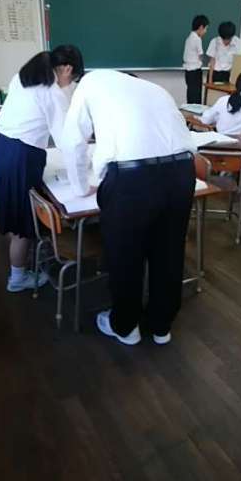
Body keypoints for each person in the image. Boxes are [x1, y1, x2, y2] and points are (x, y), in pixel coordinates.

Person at [61, 70, 196, 346]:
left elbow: (73, 141)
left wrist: (81, 188)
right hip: (182, 172)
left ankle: (125, 327)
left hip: (132, 179)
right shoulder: (154, 89)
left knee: (125, 256)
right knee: (169, 252)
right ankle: (161, 327)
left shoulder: (89, 83)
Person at [0, 45, 84, 293]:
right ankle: (17, 278)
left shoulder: (25, 77)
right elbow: (66, 142)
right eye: (72, 78)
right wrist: (81, 177)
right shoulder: (53, 92)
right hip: (21, 156)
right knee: (23, 225)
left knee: (14, 212)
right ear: (67, 69)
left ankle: (20, 259)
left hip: (2, 148)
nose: (70, 84)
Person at [183, 14, 209, 104]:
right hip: (195, 72)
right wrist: (206, 62)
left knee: (191, 95)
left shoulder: (189, 38)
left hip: (188, 71)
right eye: (206, 28)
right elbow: (201, 55)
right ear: (201, 27)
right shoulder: (197, 39)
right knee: (196, 96)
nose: (206, 31)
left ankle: (190, 111)